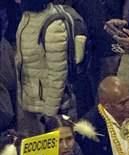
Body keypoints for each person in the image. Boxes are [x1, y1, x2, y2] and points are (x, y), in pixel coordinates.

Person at [15, 0, 83, 135]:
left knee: (59, 151)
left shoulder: (54, 24)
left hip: (48, 108)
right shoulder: (27, 16)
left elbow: (58, 75)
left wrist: (50, 116)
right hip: (30, 102)